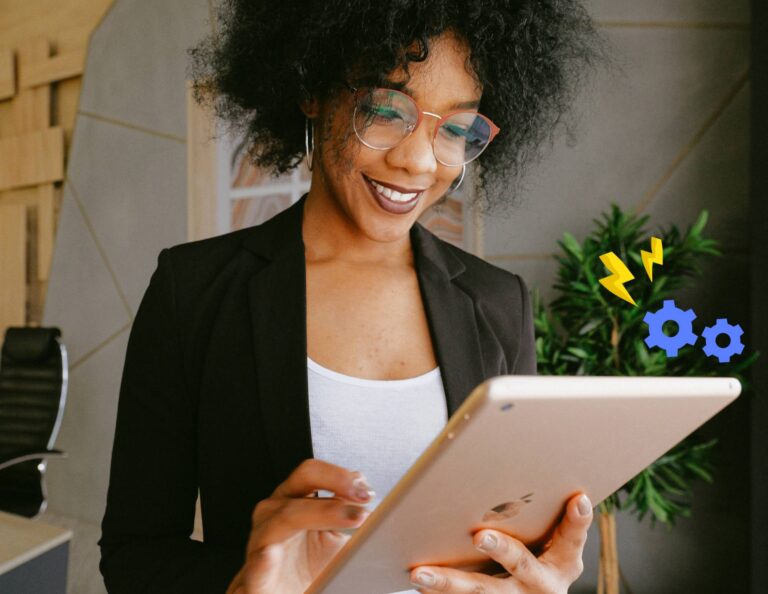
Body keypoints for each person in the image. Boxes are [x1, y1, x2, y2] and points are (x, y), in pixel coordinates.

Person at [98, 1, 606, 592]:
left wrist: (539, 577)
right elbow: (134, 555)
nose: (418, 161)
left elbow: (510, 537)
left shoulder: (498, 303)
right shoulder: (195, 291)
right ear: (311, 90)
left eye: (456, 128)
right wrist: (244, 585)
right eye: (386, 111)